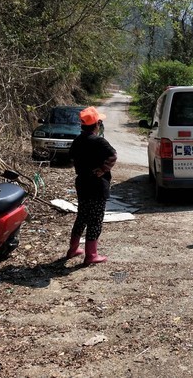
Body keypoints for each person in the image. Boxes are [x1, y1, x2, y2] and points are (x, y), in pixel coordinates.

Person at [67, 106, 118, 265]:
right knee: (95, 220)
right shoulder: (99, 141)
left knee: (82, 216)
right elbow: (113, 155)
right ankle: (91, 255)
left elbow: (72, 158)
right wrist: (103, 169)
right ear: (96, 124)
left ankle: (73, 249)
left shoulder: (78, 140)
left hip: (82, 183)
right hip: (97, 185)